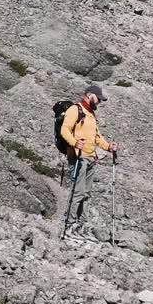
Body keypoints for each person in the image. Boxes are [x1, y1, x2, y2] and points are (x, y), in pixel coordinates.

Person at [60, 84, 119, 241]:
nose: (99, 102)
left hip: (91, 158)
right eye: (98, 99)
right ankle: (70, 225)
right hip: (78, 156)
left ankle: (80, 225)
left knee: (86, 194)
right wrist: (74, 142)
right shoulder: (75, 109)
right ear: (90, 95)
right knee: (77, 192)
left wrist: (108, 147)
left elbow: (96, 137)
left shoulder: (91, 115)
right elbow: (64, 130)